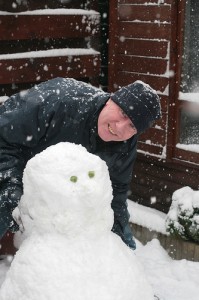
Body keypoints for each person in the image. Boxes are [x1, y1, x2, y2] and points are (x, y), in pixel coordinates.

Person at [0, 77, 161, 250]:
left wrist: (123, 247)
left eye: (132, 126)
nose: (120, 127)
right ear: (110, 100)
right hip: (11, 151)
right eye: (123, 113)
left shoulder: (124, 145)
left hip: (46, 178)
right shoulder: (58, 103)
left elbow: (116, 193)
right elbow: (3, 137)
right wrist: (11, 185)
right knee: (6, 202)